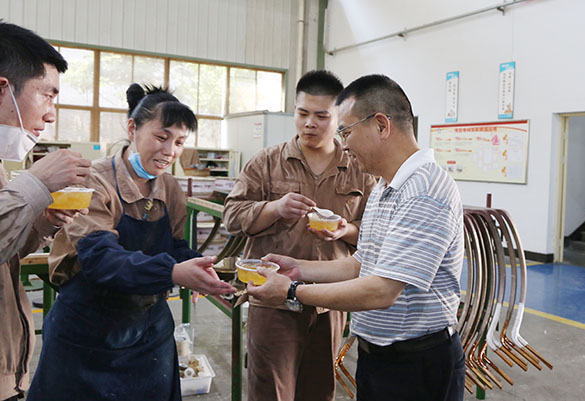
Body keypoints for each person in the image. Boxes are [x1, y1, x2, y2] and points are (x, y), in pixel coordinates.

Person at [248, 74, 466, 401]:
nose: (345, 145)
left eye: (346, 132)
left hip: (417, 363)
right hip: (379, 356)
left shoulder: (424, 191)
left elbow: (382, 290)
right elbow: (360, 264)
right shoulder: (384, 187)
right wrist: (297, 268)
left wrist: (291, 291)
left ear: (381, 125)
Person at [26, 83, 236, 401]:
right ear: (132, 129)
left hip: (148, 331)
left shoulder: (170, 188)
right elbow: (100, 258)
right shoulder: (94, 181)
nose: (170, 151)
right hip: (87, 330)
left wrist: (199, 267)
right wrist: (174, 272)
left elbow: (174, 246)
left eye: (180, 142)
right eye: (162, 137)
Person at [223, 70, 376, 401]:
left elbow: (376, 235)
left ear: (339, 117)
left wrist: (346, 229)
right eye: (302, 113)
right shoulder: (267, 162)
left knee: (319, 390)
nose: (309, 124)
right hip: (273, 300)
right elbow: (232, 217)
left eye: (321, 116)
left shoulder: (359, 169)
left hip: (330, 300)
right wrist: (274, 208)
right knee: (271, 391)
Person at [0, 21, 92, 401]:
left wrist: (40, 221)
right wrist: (35, 183)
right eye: (46, 96)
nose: (51, 115)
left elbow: (5, 252)